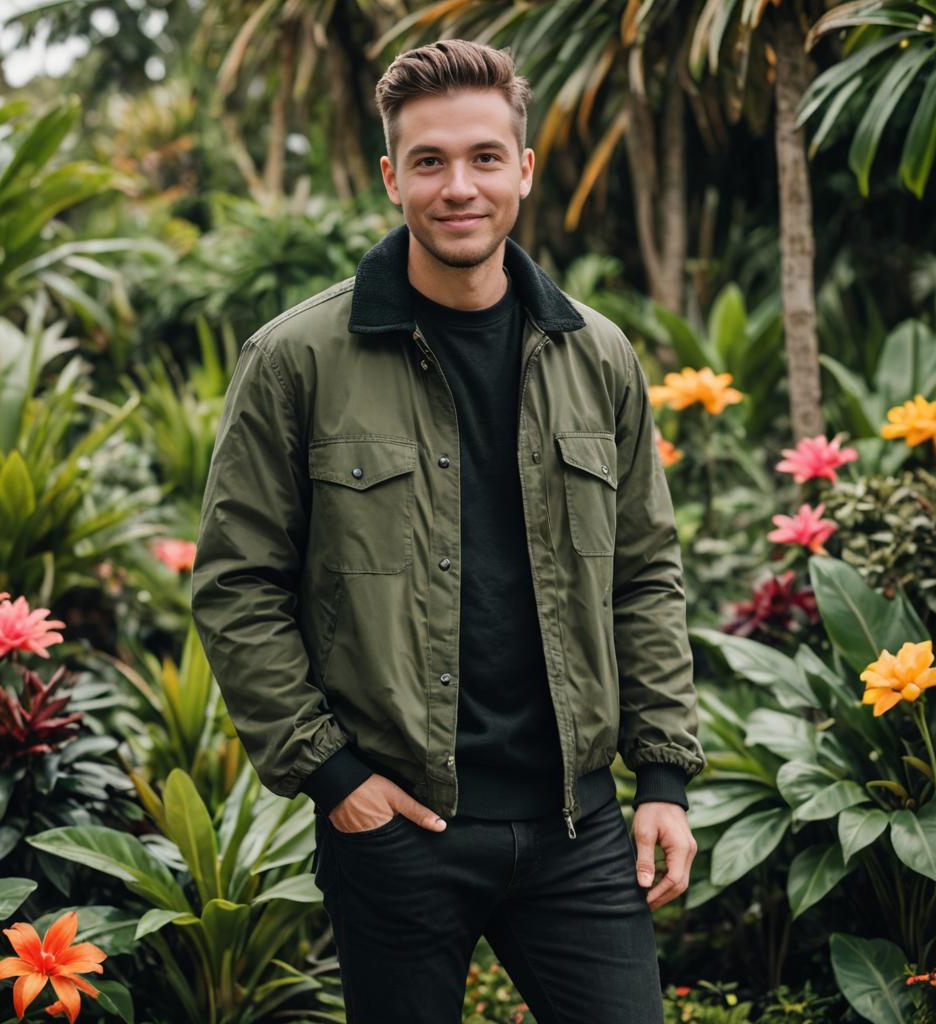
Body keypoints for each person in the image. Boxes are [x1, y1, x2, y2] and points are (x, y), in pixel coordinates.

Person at [192, 38, 706, 1024]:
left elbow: (643, 572)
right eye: (428, 161)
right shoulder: (296, 360)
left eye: (481, 157)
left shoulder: (597, 355)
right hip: (398, 829)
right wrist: (335, 777)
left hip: (577, 824)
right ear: (391, 178)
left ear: (522, 168)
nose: (456, 186)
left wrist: (666, 779)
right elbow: (237, 581)